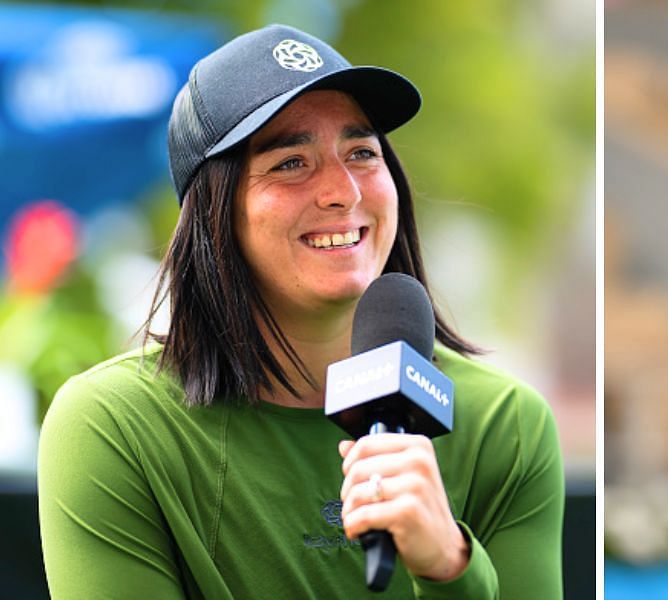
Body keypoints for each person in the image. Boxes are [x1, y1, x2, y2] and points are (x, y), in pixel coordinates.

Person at [38, 24, 563, 599]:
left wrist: (447, 566)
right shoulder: (113, 428)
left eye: (362, 152)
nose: (343, 191)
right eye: (291, 162)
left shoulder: (507, 425)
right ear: (215, 213)